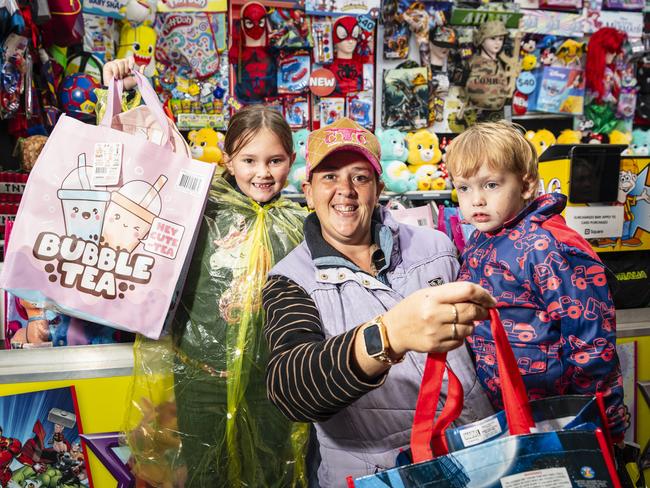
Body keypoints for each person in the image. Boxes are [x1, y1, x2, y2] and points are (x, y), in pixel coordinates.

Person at [102, 58, 309, 488]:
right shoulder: (200, 202)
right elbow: (136, 161)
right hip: (201, 376)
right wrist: (124, 89)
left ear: (291, 160)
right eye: (249, 160)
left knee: (273, 469)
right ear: (228, 160)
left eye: (274, 160)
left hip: (273, 379)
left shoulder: (302, 219)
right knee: (204, 472)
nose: (262, 173)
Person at [263, 117, 497, 486]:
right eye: (329, 177)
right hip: (378, 474)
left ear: (379, 189)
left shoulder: (435, 246)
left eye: (360, 177)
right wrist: (386, 337)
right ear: (308, 191)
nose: (345, 190)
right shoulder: (289, 281)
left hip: (477, 455)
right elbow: (290, 388)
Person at [444, 121, 628, 441]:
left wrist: (601, 419)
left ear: (527, 185)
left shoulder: (545, 246)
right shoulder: (478, 241)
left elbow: (591, 338)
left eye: (490, 185)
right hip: (504, 412)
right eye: (464, 187)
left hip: (559, 417)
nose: (476, 200)